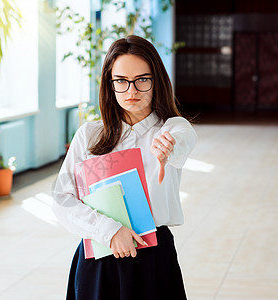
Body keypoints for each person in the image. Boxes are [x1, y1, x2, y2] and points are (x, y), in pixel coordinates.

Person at [52, 35, 197, 300]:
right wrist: (110, 231)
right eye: (121, 81)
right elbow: (62, 199)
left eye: (142, 79)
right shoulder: (90, 134)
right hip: (100, 255)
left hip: (152, 257)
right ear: (110, 84)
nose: (131, 91)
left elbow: (183, 139)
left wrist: (168, 146)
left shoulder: (171, 128)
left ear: (157, 81)